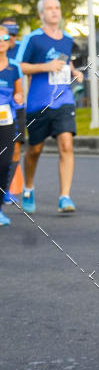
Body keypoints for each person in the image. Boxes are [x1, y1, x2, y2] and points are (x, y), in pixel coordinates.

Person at [16, 0, 84, 214]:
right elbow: (17, 66)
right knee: (35, 149)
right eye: (49, 9)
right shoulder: (33, 39)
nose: (55, 12)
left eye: (57, 7)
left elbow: (65, 61)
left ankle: (65, 196)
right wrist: (45, 67)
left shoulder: (67, 38)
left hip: (64, 100)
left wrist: (74, 72)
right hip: (38, 103)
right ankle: (28, 187)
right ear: (41, 14)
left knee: (66, 144)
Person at [0, 24, 24, 226]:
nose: (1, 41)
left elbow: (19, 93)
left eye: (4, 37)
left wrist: (18, 97)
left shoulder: (14, 67)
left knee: (5, 163)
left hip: (6, 119)